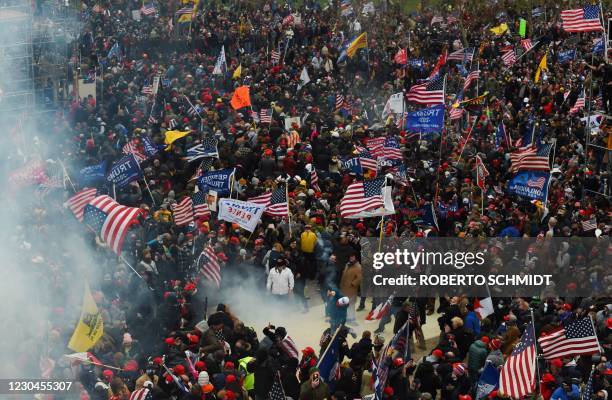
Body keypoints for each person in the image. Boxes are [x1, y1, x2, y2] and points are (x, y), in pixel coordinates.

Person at [339, 254, 362, 325]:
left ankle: (351, 319)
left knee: (351, 305)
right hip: (344, 288)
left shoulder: (358, 267)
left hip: (351, 290)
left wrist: (353, 284)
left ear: (355, 257)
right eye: (350, 256)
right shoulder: (348, 264)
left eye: (353, 257)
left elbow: (360, 278)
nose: (351, 258)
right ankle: (346, 318)